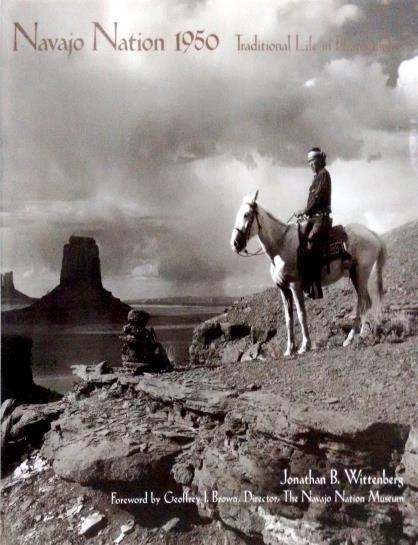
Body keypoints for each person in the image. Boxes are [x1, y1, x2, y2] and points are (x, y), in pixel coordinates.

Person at [296, 147, 332, 299]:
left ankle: (316, 286)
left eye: (313, 161)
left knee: (311, 243)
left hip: (322, 219)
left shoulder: (324, 175)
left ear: (319, 160)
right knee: (299, 242)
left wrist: (304, 211)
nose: (310, 164)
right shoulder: (317, 176)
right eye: (309, 162)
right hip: (313, 218)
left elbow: (317, 198)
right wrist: (305, 214)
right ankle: (305, 281)